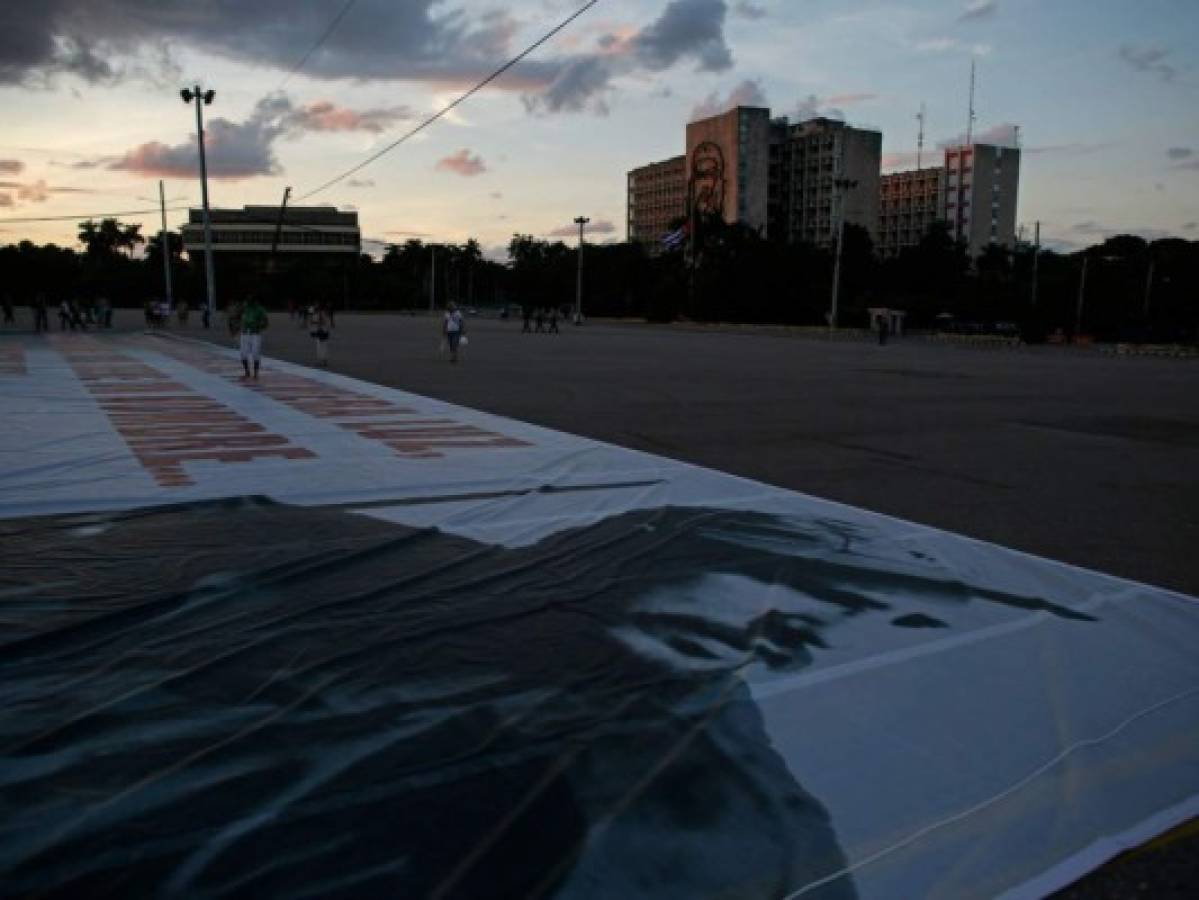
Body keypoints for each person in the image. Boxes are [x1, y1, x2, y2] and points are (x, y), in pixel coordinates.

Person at [239, 296, 269, 379]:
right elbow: (239, 317)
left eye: (249, 301)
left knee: (255, 353)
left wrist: (259, 326)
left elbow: (265, 321)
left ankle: (256, 373)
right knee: (243, 354)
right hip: (245, 333)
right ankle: (247, 372)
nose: (247, 302)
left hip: (255, 334)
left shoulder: (260, 309)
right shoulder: (244, 308)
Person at [310, 303, 333, 368]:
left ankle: (321, 361)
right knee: (324, 346)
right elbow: (328, 323)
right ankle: (324, 360)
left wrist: (314, 323)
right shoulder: (325, 313)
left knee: (320, 347)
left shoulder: (319, 314)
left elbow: (318, 322)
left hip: (321, 331)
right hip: (325, 331)